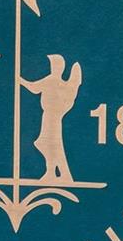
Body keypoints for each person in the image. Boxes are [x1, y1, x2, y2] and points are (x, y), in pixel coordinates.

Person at [19, 54, 83, 184]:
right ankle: (55, 173)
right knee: (50, 145)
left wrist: (20, 80)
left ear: (57, 67)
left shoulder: (52, 80)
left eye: (53, 64)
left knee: (50, 145)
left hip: (51, 117)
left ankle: (56, 174)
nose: (52, 67)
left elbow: (34, 88)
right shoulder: (59, 82)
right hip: (51, 117)